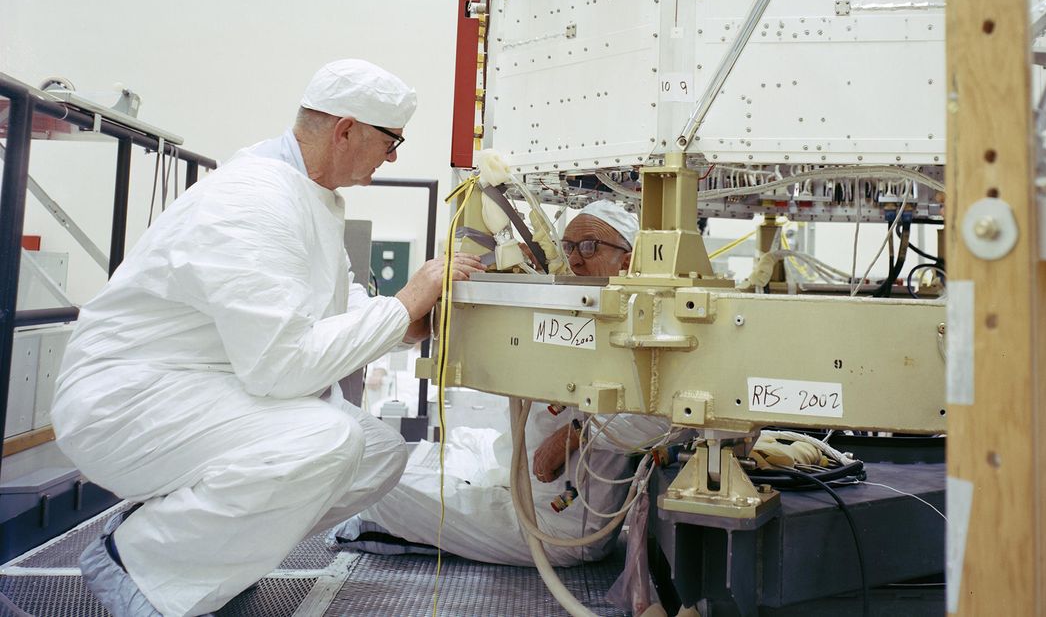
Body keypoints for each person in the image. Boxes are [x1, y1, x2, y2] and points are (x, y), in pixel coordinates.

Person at [52, 59, 486, 617]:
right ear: (346, 129)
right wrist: (405, 302)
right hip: (128, 402)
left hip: (204, 391)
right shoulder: (253, 200)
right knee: (327, 440)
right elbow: (281, 368)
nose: (394, 157)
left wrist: (410, 321)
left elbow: (340, 302)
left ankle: (197, 558)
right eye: (391, 140)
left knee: (377, 454)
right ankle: (136, 564)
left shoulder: (307, 194)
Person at [331, 199, 674, 566]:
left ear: (628, 257)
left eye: (589, 246)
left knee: (379, 488)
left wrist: (578, 434)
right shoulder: (577, 312)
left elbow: (671, 417)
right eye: (568, 247)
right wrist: (496, 264)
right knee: (455, 445)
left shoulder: (649, 330)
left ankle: (355, 527)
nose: (573, 259)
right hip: (519, 485)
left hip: (557, 528)